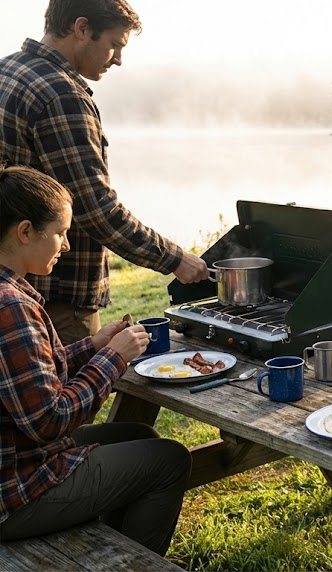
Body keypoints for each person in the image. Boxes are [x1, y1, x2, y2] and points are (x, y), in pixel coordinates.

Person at [0, 165, 191, 555]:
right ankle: (129, 564)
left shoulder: (9, 292)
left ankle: (112, 549)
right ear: (24, 232)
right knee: (169, 460)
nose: (66, 245)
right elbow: (50, 420)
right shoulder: (10, 307)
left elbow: (26, 380)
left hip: (16, 458)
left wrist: (94, 345)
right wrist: (114, 359)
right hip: (15, 492)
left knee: (139, 436)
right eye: (60, 233)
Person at [0, 0, 208, 343]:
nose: (118, 59)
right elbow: (95, 208)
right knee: (70, 391)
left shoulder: (8, 71)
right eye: (114, 45)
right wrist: (175, 259)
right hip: (57, 296)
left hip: (12, 287)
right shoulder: (60, 95)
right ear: (82, 29)